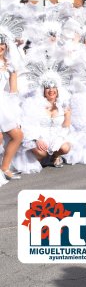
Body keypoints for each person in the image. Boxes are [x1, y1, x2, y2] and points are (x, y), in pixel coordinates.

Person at [0, 36, 23, 181]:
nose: (0, 46)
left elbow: (13, 92)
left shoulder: (11, 66)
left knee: (18, 135)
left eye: (2, 43)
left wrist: (16, 115)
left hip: (3, 104)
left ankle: (4, 168)